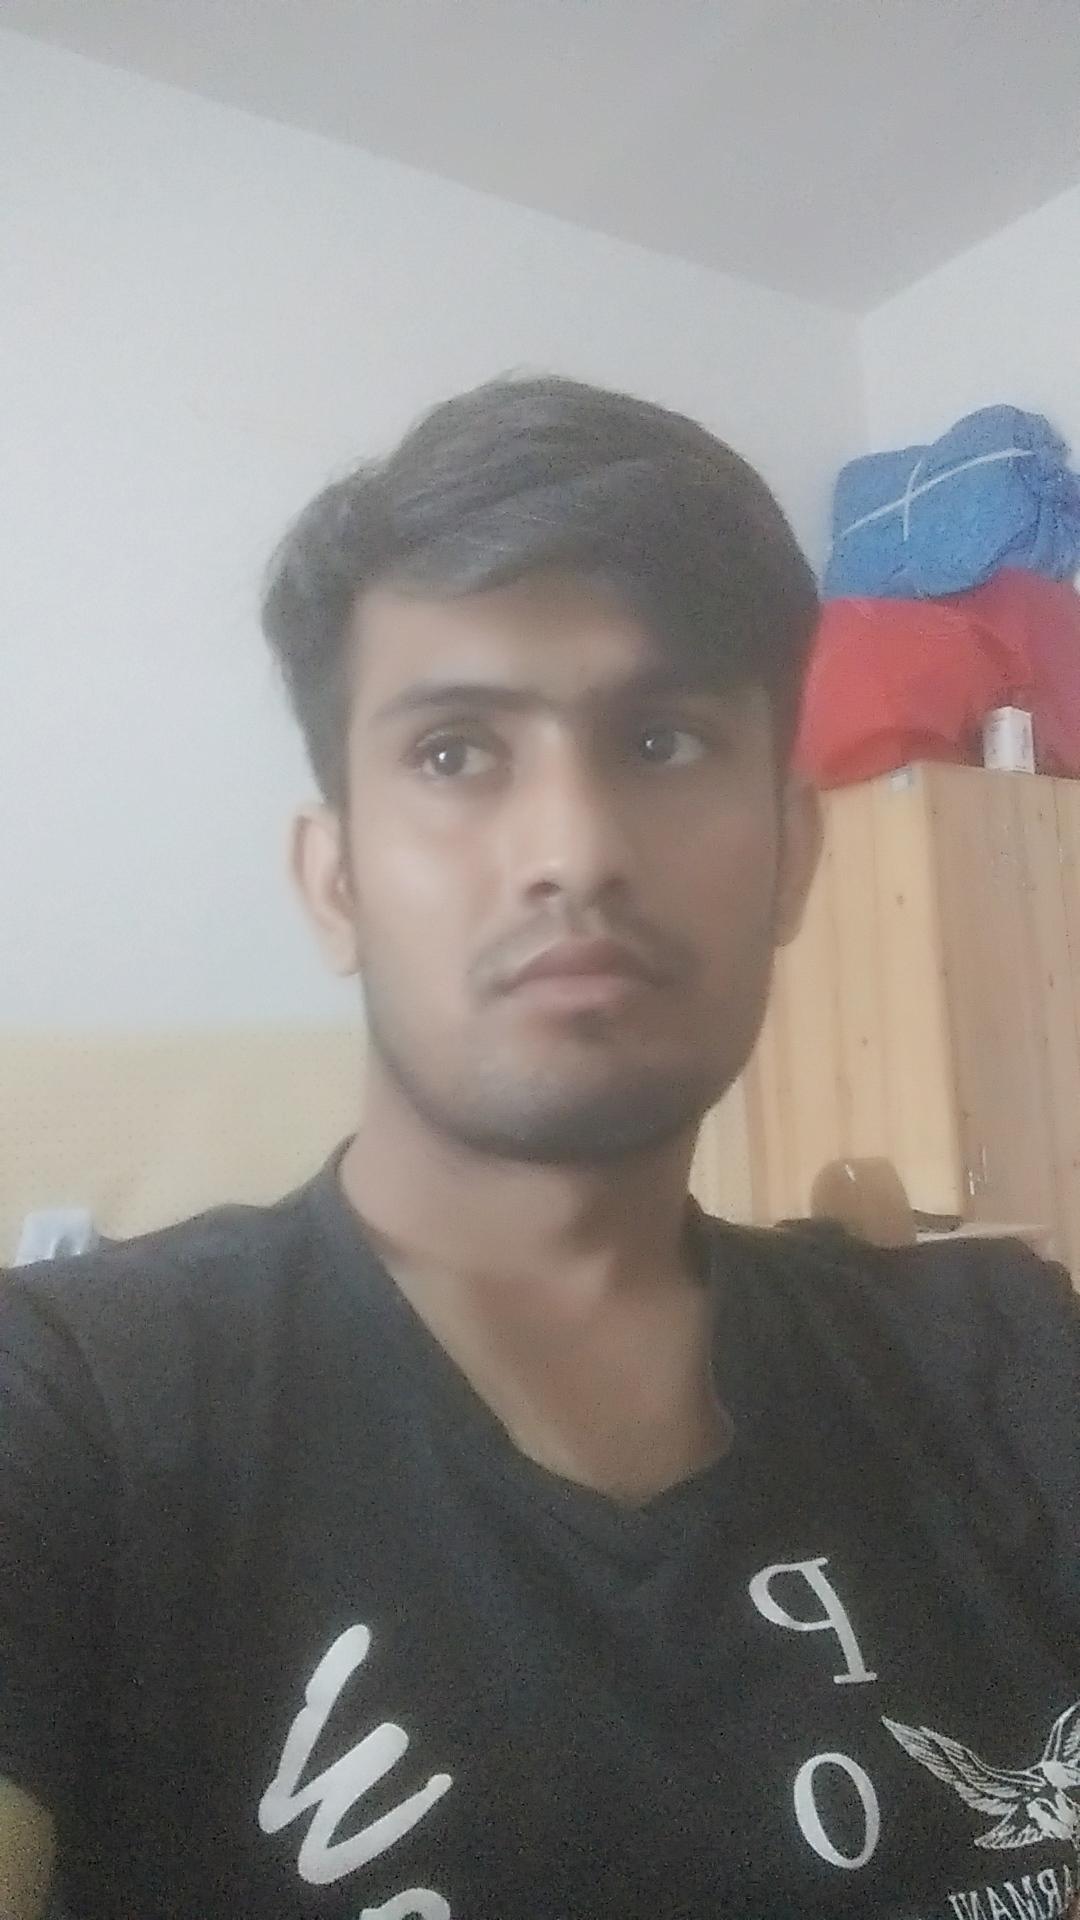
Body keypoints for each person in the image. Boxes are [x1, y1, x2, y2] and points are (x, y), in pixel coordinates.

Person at [0, 377, 1078, 1920]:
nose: (574, 848)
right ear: (334, 882)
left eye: (662, 738)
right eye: (454, 753)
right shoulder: (70, 1411)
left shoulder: (1004, 1367)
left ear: (794, 854)